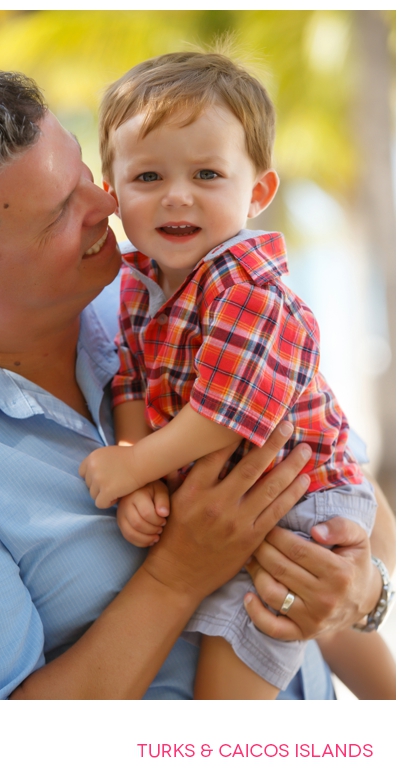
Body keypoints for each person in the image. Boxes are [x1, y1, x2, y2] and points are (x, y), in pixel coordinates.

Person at [0, 70, 395, 700]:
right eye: (62, 210)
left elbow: (347, 489)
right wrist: (178, 572)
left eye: (83, 176)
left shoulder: (152, 293)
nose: (105, 205)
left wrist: (363, 595)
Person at [78, 51, 393, 699]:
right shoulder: (140, 282)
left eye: (207, 173)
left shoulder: (245, 286)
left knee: (237, 669)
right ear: (112, 192)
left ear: (257, 192)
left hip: (304, 491)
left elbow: (229, 414)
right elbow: (132, 381)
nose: (177, 194)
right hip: (242, 491)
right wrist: (134, 456)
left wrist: (133, 469)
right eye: (147, 176)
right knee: (324, 627)